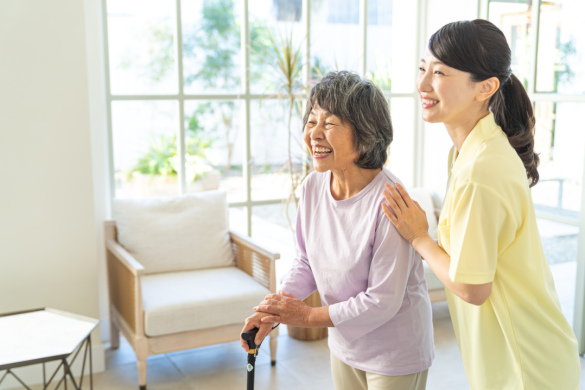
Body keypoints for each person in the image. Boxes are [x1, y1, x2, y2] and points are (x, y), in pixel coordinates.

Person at [382, 19, 580, 389]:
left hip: (527, 367)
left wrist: (418, 236)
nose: (423, 85)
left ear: (486, 88)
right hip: (518, 357)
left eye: (440, 72)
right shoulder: (468, 153)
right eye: (423, 68)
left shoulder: (481, 170)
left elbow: (474, 288)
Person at [240, 71, 434, 389]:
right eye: (311, 121)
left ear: (365, 133)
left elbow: (383, 300)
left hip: (395, 350)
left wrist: (306, 317)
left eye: (329, 124)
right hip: (344, 344)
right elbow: (307, 260)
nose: (314, 134)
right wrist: (274, 310)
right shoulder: (314, 185)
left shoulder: (391, 200)